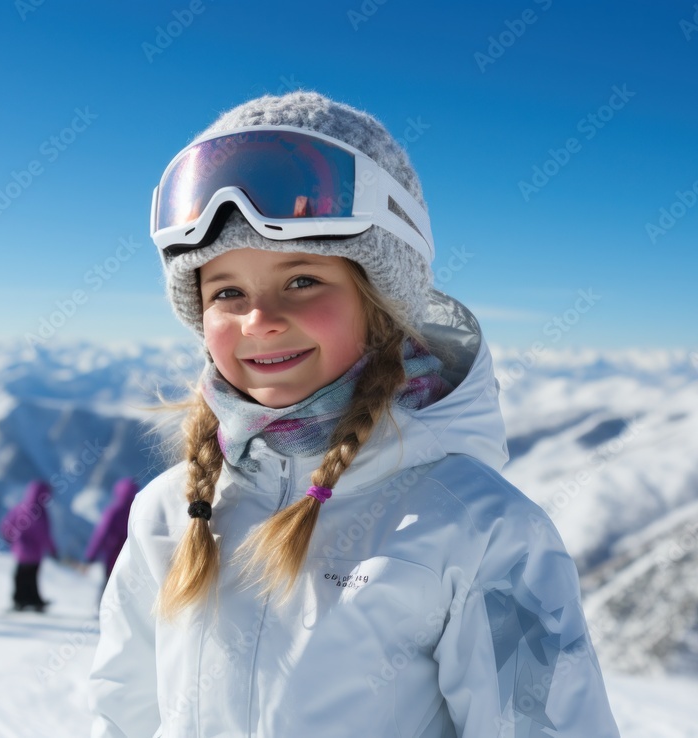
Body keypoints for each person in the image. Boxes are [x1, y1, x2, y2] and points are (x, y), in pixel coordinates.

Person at [88, 92, 620, 736]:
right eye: (227, 291)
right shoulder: (167, 513)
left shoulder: (484, 532)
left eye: (303, 280)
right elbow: (124, 713)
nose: (260, 319)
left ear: (378, 303)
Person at [0, 479, 57, 612]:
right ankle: (34, 600)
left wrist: (9, 537)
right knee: (32, 577)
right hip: (35, 553)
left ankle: (19, 600)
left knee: (20, 576)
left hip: (20, 550)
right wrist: (52, 550)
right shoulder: (41, 512)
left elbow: (6, 524)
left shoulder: (19, 508)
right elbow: (44, 535)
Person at [84, 477, 139, 583]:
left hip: (110, 556)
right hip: (127, 559)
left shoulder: (113, 512)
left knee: (107, 586)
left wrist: (91, 555)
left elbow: (101, 534)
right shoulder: (134, 513)